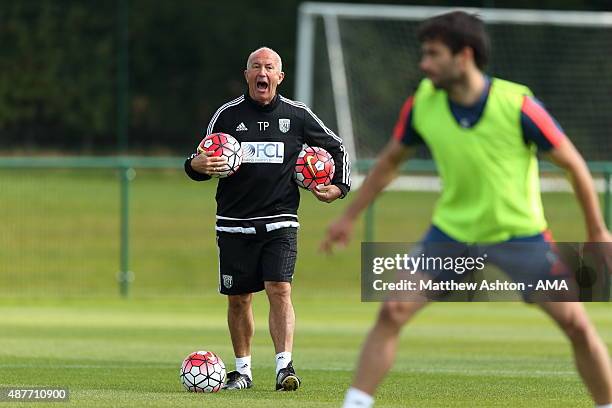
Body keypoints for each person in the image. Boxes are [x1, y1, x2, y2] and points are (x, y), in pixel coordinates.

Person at [320, 11, 612, 408]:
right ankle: (355, 405)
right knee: (393, 310)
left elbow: (574, 165)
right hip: (452, 234)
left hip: (520, 235)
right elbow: (389, 162)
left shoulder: (517, 105)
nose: (423, 64)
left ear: (464, 56)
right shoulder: (423, 103)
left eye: (433, 54)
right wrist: (348, 217)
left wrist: (597, 231)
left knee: (576, 324)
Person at [185, 47, 351, 391]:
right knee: (239, 299)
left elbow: (338, 149)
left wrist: (339, 187)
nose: (263, 72)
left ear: (280, 76)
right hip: (233, 222)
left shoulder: (298, 115)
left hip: (280, 221)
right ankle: (243, 372)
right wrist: (194, 166)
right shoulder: (228, 115)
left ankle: (283, 367)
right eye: (256, 67)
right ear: (247, 75)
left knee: (280, 289)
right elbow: (203, 157)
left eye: (269, 67)